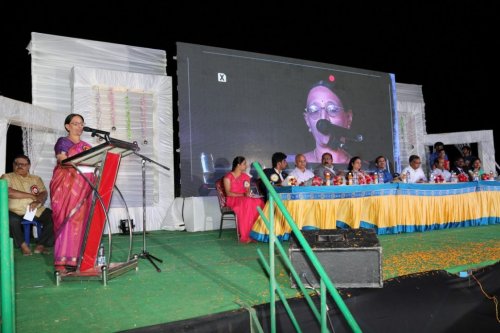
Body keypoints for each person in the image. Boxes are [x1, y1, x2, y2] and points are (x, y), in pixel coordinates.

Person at [50, 113, 96, 272]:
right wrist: (79, 161)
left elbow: (95, 162)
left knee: (81, 221)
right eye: (75, 123)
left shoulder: (86, 146)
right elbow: (62, 160)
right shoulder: (63, 142)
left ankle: (78, 259)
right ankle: (61, 262)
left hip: (84, 186)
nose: (79, 126)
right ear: (67, 126)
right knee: (67, 220)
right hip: (66, 186)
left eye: (81, 124)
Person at [1, 154, 54, 256]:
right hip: (14, 210)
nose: (19, 166)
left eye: (23, 164)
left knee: (54, 217)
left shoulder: (36, 178)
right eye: (16, 164)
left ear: (29, 166)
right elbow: (9, 192)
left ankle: (41, 245)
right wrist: (31, 196)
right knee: (12, 220)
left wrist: (38, 200)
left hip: (34, 209)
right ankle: (23, 245)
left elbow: (43, 192)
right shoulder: (7, 177)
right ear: (13, 165)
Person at [302, 80, 353, 164]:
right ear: (307, 120)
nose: (323, 118)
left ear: (348, 118)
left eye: (332, 110)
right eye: (314, 110)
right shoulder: (294, 165)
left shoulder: (365, 168)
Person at [223, 156, 265, 243]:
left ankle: (257, 234)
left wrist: (250, 194)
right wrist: (243, 194)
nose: (246, 166)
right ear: (238, 165)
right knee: (248, 202)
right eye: (244, 164)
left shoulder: (246, 177)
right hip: (233, 199)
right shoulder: (227, 177)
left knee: (258, 201)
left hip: (244, 199)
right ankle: (246, 235)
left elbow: (247, 191)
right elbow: (228, 193)